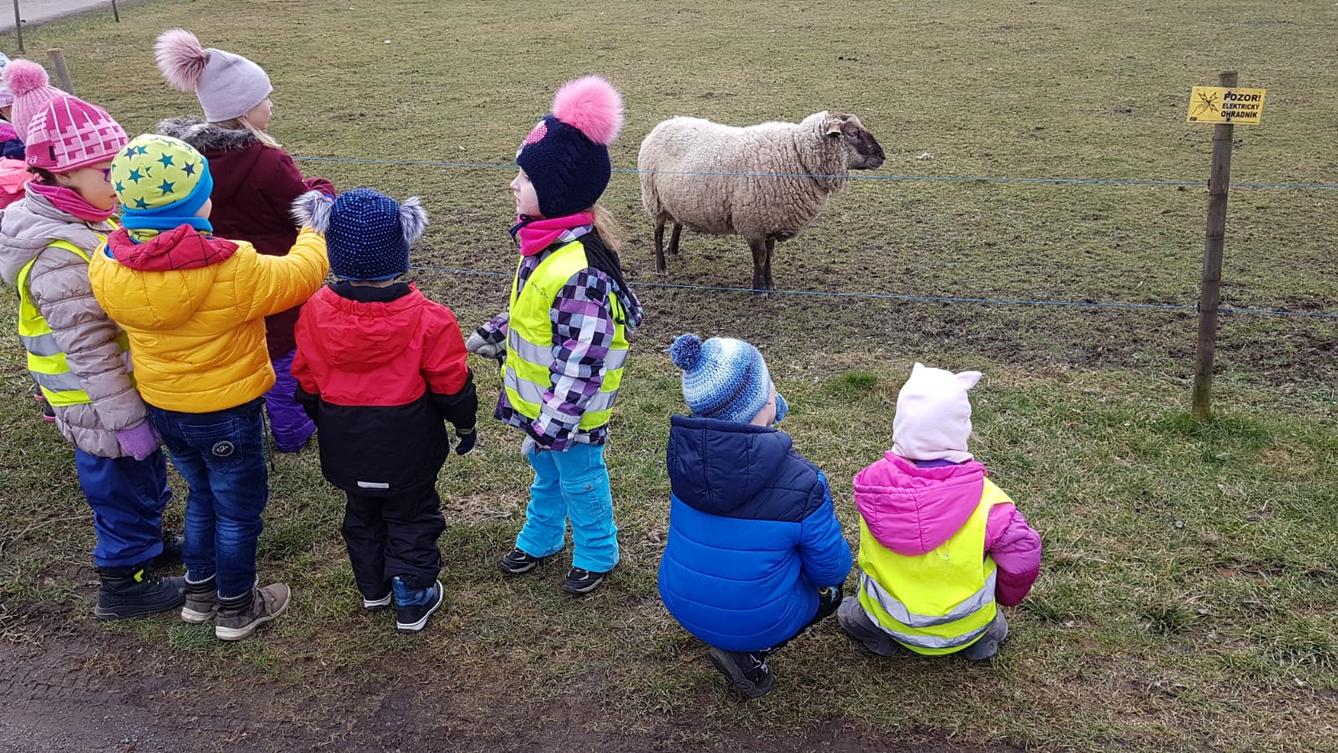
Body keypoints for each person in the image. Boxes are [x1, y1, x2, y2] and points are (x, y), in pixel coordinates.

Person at [88, 134, 329, 641]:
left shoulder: (106, 263)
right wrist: (313, 224)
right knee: (238, 510)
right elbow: (301, 275)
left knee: (200, 494)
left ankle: (200, 595)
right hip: (227, 408)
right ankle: (239, 607)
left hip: (163, 405)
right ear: (200, 202)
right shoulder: (231, 266)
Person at [0, 82, 183, 620]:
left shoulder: (82, 220)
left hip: (114, 388)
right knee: (117, 481)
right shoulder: (59, 252)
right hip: (96, 396)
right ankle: (123, 582)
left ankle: (148, 545)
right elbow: (89, 343)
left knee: (141, 473)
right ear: (61, 174)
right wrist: (125, 416)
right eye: (108, 175)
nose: (120, 185)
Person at [466, 75, 642, 596]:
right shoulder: (542, 249)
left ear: (556, 191)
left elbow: (581, 360)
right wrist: (495, 333)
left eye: (523, 177)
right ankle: (540, 538)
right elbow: (536, 317)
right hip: (543, 404)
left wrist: (552, 425)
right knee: (546, 474)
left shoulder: (579, 271)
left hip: (569, 412)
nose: (512, 185)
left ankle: (597, 550)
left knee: (582, 480)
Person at [291, 188, 478, 634]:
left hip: (345, 438)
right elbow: (451, 381)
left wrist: (323, 416)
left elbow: (305, 377)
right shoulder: (431, 319)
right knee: (411, 514)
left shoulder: (314, 312)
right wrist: (465, 421)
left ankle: (372, 586)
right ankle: (412, 595)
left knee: (362, 512)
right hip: (408, 441)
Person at [154, 28, 335, 452]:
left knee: (239, 348)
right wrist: (321, 189)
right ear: (244, 107)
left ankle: (243, 422)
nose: (271, 104)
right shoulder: (267, 160)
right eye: (265, 98)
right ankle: (291, 430)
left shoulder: (188, 159)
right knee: (286, 353)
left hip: (219, 270)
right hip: (276, 272)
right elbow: (297, 206)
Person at [658, 333, 851, 699]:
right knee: (832, 591)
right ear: (763, 402)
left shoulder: (682, 460)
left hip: (680, 600)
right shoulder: (802, 480)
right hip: (755, 618)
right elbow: (831, 570)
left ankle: (726, 624)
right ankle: (750, 654)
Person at [838, 363, 1042, 661]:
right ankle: (980, 640)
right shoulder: (991, 503)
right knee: (992, 627)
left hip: (890, 617)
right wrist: (1005, 598)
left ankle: (879, 633)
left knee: (855, 612)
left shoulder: (872, 486)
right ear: (961, 428)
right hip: (966, 623)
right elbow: (1023, 554)